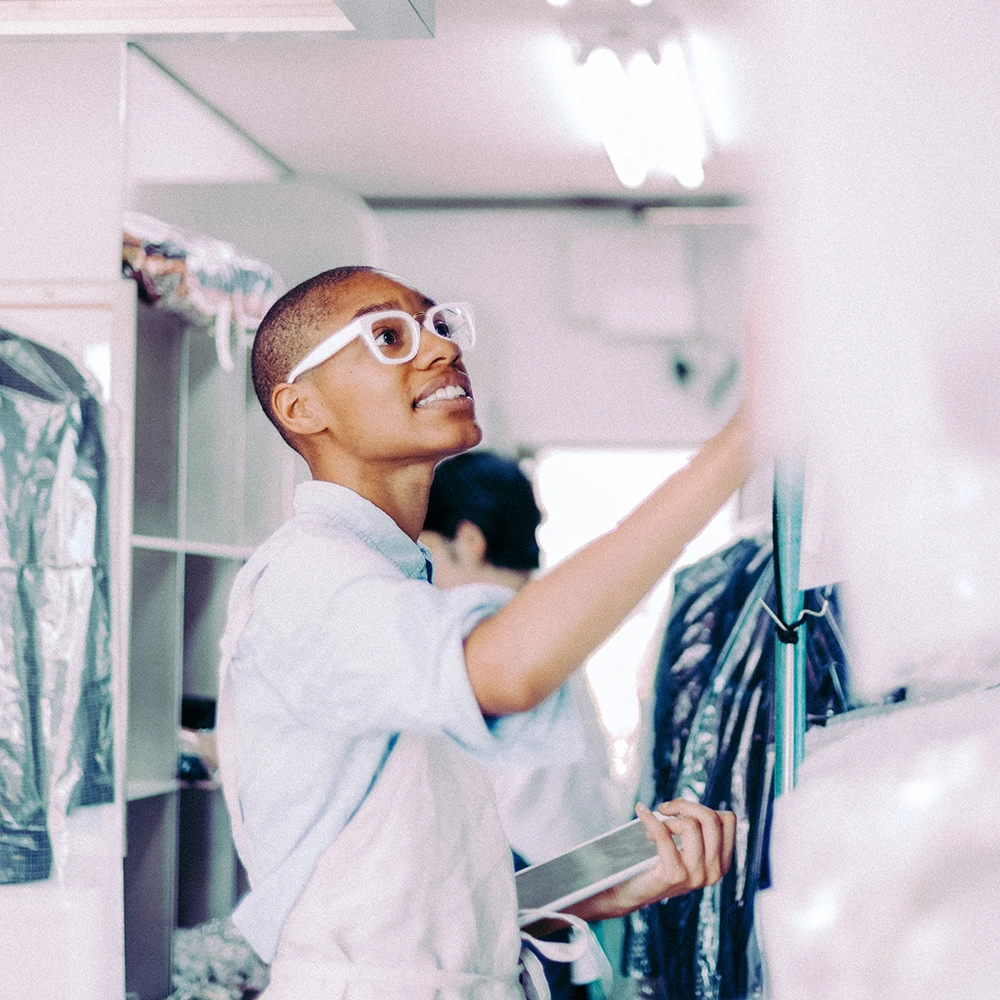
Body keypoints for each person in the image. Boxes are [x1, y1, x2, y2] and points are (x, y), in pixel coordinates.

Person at [216, 265, 749, 999]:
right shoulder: (309, 579)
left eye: (439, 325)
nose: (439, 350)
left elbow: (412, 913)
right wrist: (748, 440)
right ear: (301, 407)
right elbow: (507, 674)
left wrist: (610, 883)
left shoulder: (397, 584)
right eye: (388, 336)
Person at [422, 450, 625, 999]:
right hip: (575, 892)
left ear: (468, 540)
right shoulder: (547, 627)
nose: (426, 574)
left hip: (531, 904)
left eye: (428, 552)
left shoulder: (492, 640)